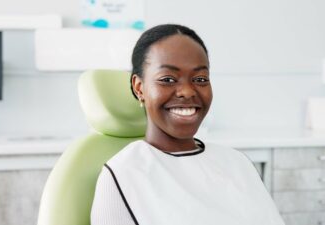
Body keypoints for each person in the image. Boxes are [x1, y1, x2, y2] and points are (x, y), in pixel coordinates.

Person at [91, 24, 285, 225]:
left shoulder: (237, 162)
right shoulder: (123, 173)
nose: (187, 91)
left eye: (200, 79)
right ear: (139, 88)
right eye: (167, 79)